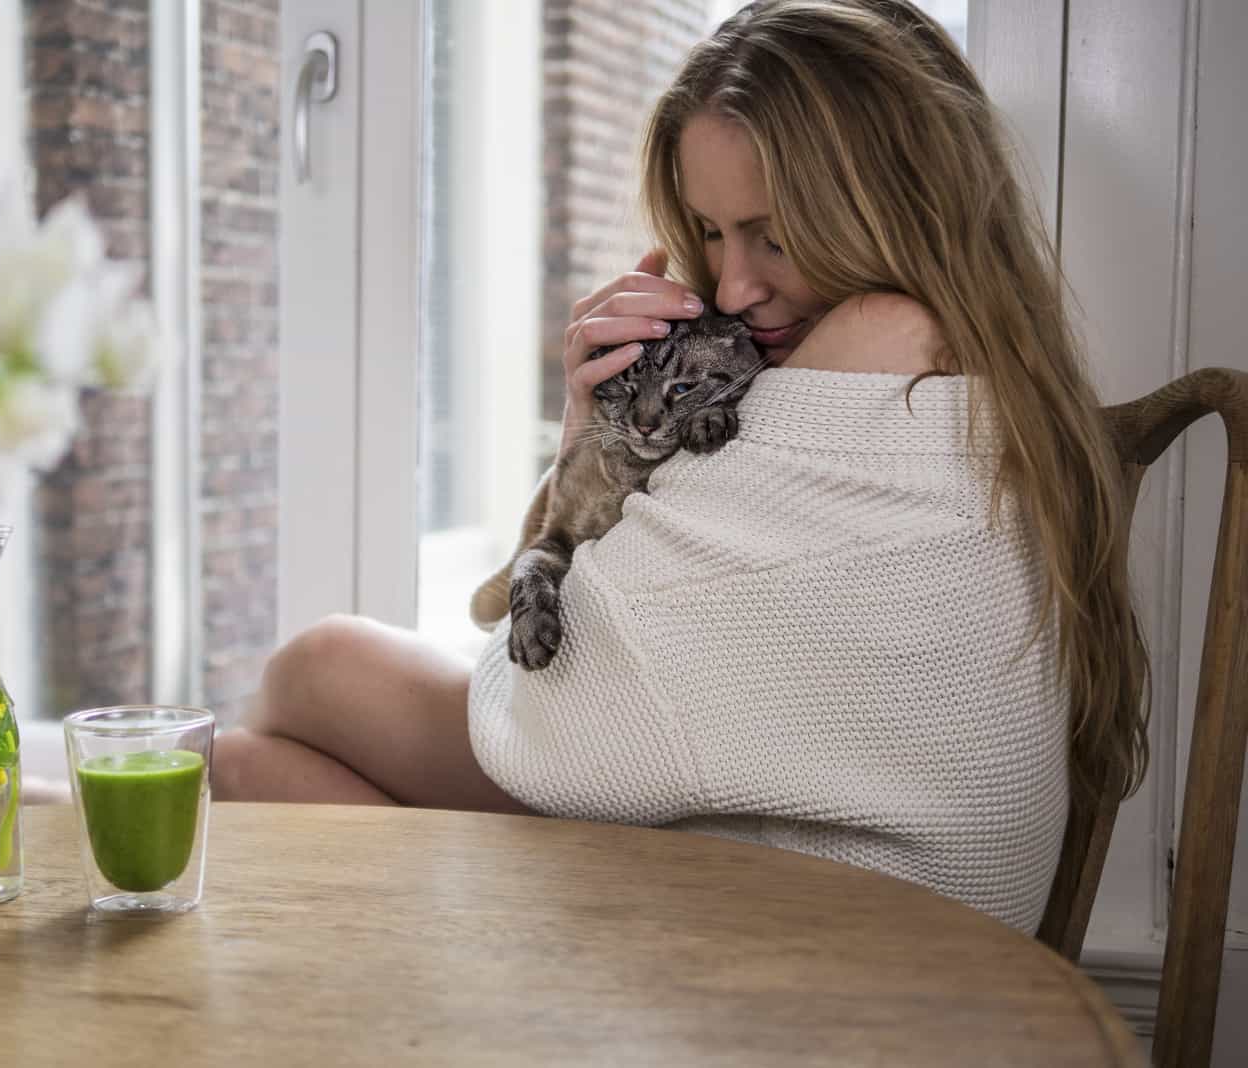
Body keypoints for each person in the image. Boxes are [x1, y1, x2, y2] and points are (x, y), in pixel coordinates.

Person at [212, 0, 1149, 933]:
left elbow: (573, 682)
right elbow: (565, 628)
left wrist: (585, 446)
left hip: (828, 956)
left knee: (318, 668)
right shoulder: (978, 368)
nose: (735, 287)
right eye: (709, 231)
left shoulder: (889, 337)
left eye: (775, 234)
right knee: (257, 770)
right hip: (776, 894)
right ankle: (69, 813)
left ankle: (72, 817)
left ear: (893, 207)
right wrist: (592, 428)